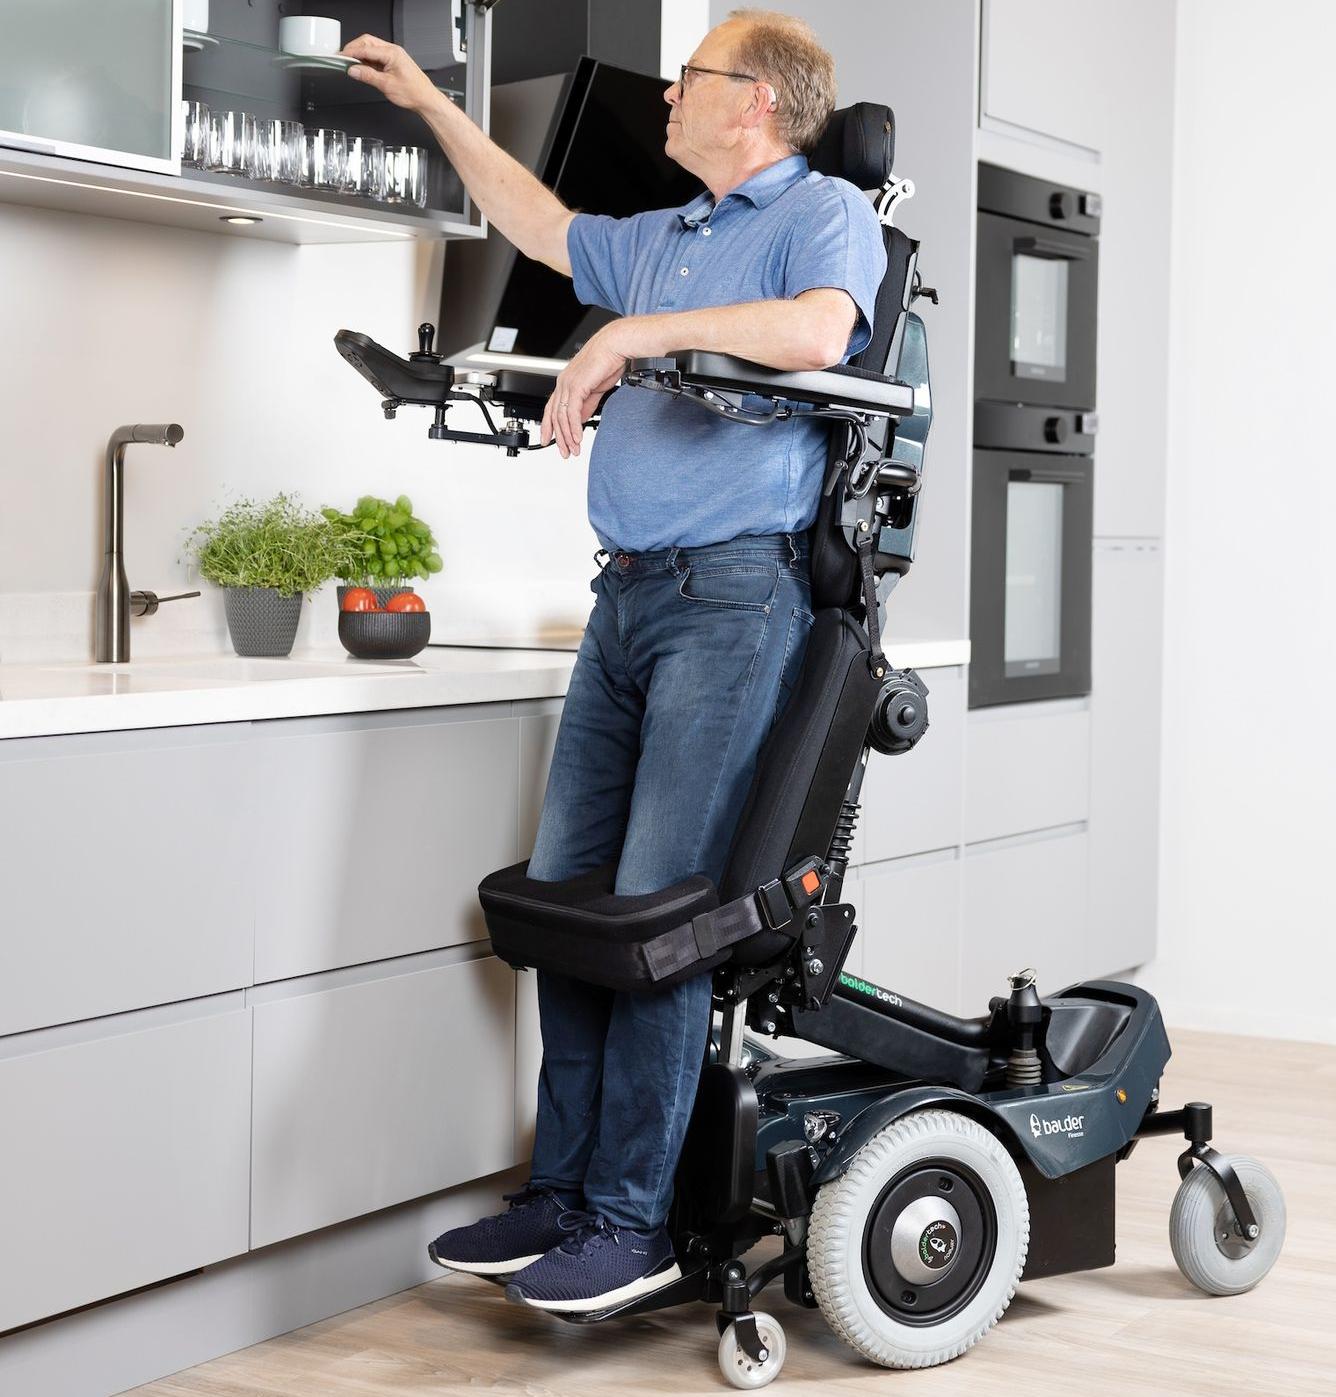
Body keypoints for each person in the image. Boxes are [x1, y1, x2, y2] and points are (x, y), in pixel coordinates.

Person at [343, 8, 885, 1314]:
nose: (664, 98)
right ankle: (565, 1190)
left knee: (652, 914)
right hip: (628, 599)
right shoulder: (671, 239)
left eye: (686, 82)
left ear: (752, 101)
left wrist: (628, 336)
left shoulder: (823, 217)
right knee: (575, 898)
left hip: (731, 598)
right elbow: (537, 222)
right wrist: (429, 100)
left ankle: (633, 1218)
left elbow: (819, 335)